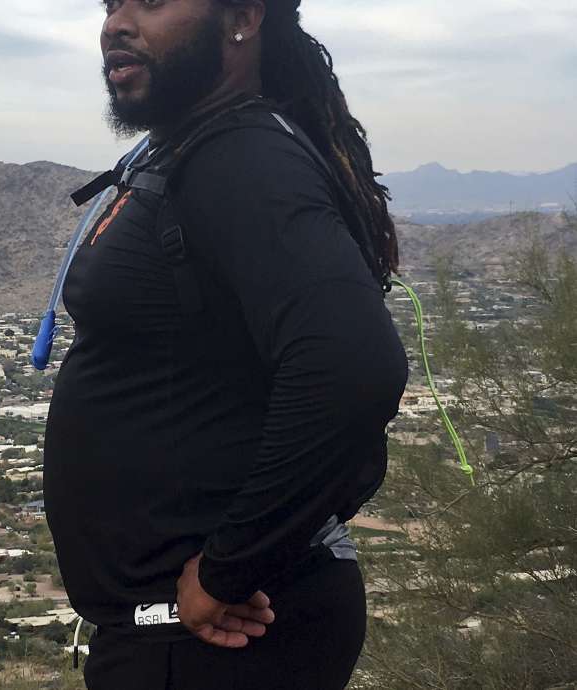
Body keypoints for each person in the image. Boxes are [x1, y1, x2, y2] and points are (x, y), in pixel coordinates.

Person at [42, 0, 409, 688]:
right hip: (185, 638)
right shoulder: (197, 149)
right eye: (110, 3)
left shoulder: (241, 155)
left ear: (242, 17)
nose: (117, 23)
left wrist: (227, 569)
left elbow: (353, 368)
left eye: (148, 1)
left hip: (227, 635)